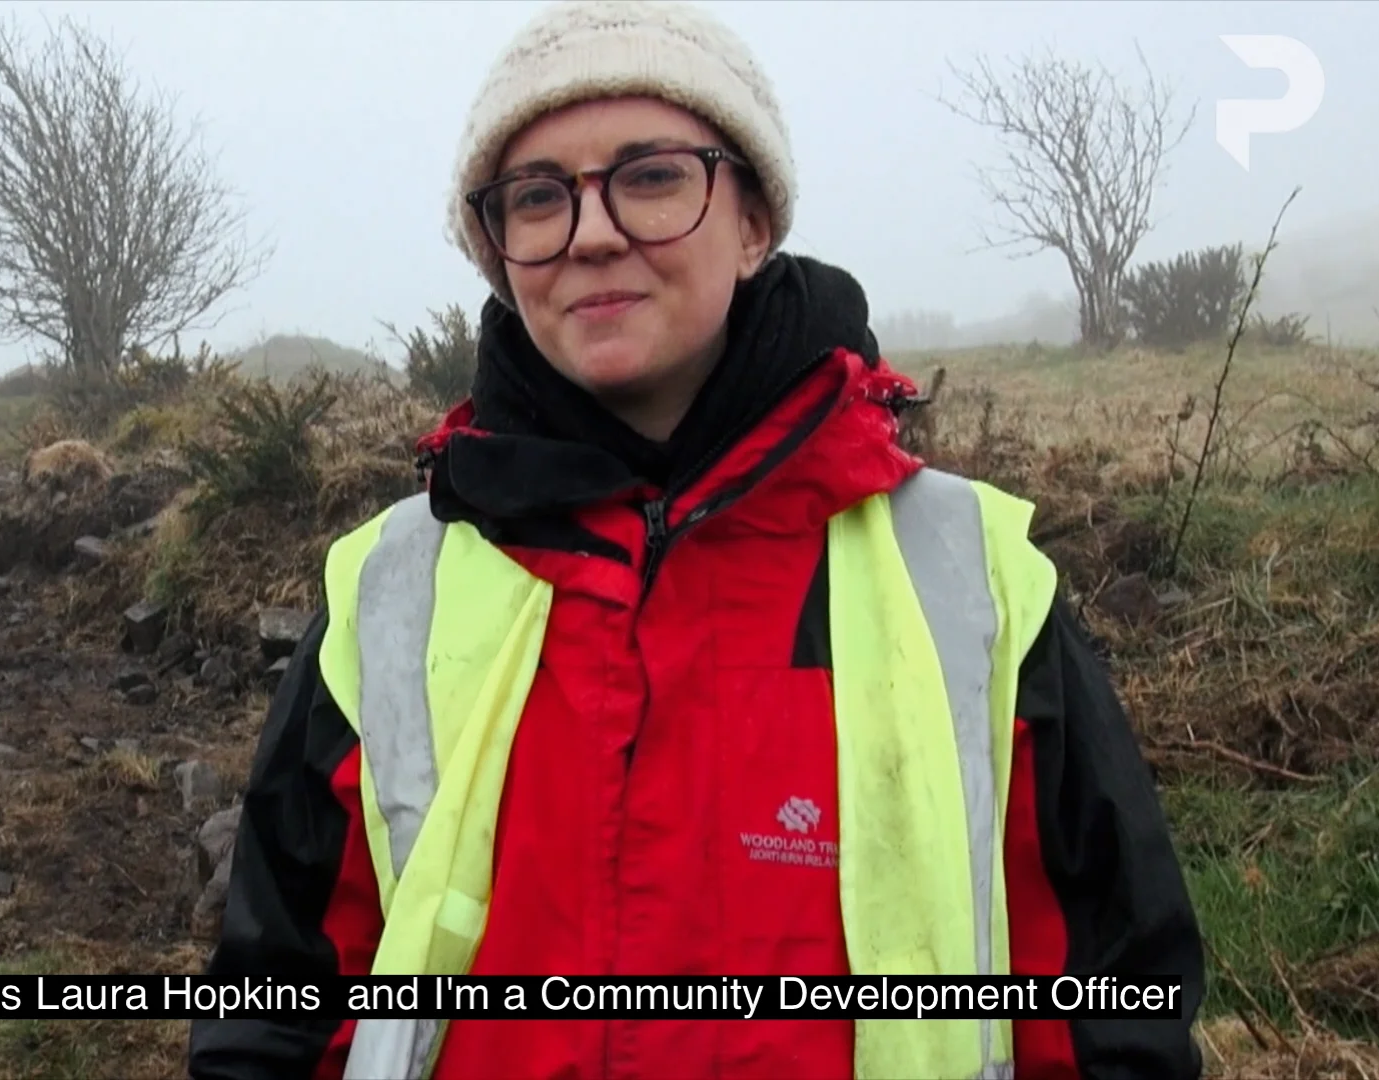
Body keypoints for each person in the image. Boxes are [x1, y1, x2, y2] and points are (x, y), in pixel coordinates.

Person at [187, 1, 1207, 1077]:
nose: (591, 232)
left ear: (755, 220)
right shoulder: (388, 592)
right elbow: (275, 1012)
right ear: (500, 250)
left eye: (653, 175)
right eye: (539, 196)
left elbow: (1114, 1017)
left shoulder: (976, 583)